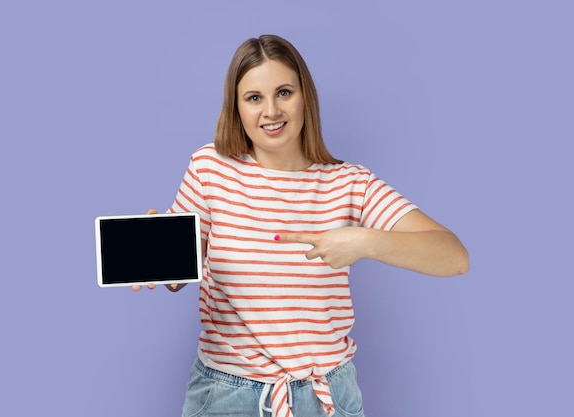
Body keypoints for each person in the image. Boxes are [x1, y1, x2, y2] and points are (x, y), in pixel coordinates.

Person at [133, 34, 469, 417]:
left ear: (305, 96)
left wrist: (365, 241)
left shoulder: (350, 183)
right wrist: (158, 260)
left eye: (284, 92)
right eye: (254, 98)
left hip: (326, 397)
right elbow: (181, 273)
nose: (271, 111)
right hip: (226, 396)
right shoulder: (211, 168)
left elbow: (454, 256)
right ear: (237, 107)